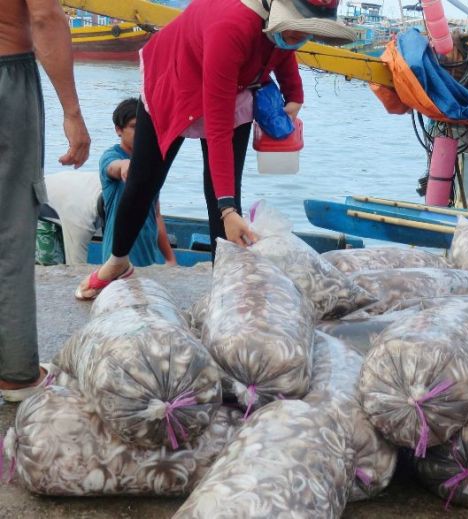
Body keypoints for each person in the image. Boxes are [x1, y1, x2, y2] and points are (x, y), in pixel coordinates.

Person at [75, 0, 355, 300]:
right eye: (293, 30)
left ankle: (224, 286)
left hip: (237, 81)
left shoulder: (282, 26)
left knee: (223, 191)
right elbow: (218, 128)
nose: (296, 37)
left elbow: (281, 50)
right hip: (177, 75)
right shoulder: (231, 28)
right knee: (144, 181)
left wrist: (294, 95)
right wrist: (229, 210)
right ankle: (117, 261)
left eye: (303, 32)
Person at [0, 0, 91, 401]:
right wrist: (72, 111)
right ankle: (17, 374)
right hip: (6, 74)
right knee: (10, 222)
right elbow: (44, 16)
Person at [98, 97, 176, 270]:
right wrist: (125, 166)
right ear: (119, 130)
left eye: (144, 127)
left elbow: (156, 214)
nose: (140, 132)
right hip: (119, 258)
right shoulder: (111, 156)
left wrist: (170, 258)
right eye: (134, 127)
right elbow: (113, 168)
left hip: (149, 256)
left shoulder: (151, 162)